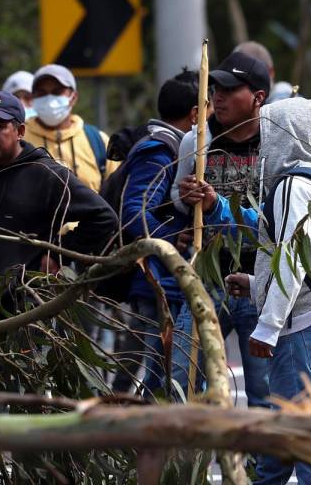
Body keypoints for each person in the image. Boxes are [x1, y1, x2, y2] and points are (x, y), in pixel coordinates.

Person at [0, 90, 117, 308]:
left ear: (20, 131)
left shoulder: (47, 175)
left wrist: (58, 254)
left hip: (25, 307)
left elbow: (103, 217)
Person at [170, 50, 272, 405]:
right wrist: (186, 199)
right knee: (183, 379)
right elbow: (176, 198)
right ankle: (191, 458)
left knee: (265, 393)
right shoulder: (196, 140)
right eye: (215, 88)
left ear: (258, 98)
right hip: (208, 279)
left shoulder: (275, 144)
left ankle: (263, 462)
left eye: (230, 89)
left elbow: (276, 220)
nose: (219, 96)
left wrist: (216, 205)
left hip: (260, 281)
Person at [245, 97, 311, 485]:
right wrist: (254, 285)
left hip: (299, 327)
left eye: (268, 133)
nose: (263, 145)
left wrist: (268, 325)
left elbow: (292, 260)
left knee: (305, 443)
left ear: (286, 135)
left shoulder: (293, 186)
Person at [109, 70, 204, 393]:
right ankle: (120, 432)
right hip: (153, 280)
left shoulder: (174, 147)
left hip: (163, 279)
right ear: (195, 114)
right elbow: (135, 213)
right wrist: (170, 238)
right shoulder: (158, 151)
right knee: (151, 369)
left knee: (152, 366)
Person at [24, 64, 116, 193]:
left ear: (73, 97)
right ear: (33, 98)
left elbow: (116, 193)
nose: (49, 99)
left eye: (57, 92)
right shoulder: (19, 140)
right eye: (42, 93)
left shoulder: (99, 141)